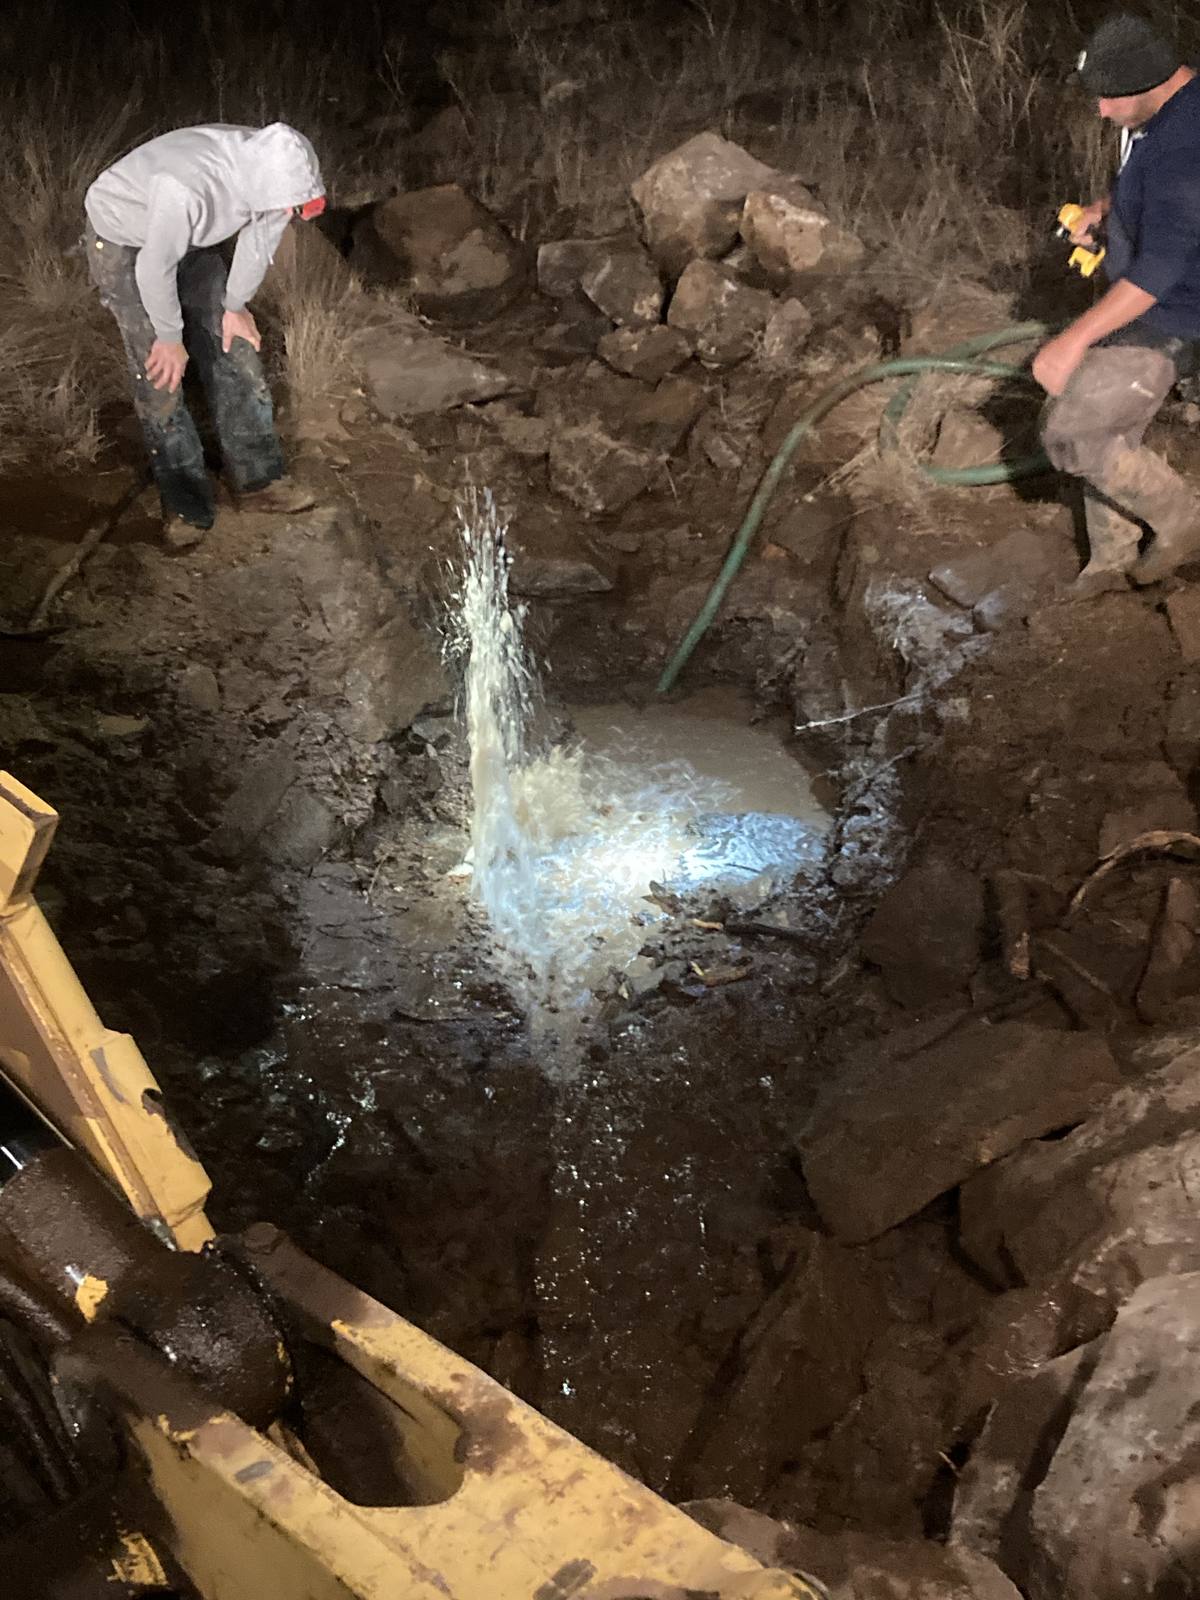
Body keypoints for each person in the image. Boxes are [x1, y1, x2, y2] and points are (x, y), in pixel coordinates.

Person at [85, 123, 327, 548]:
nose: (292, 215)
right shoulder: (187, 187)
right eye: (291, 208)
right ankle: (186, 503)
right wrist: (169, 336)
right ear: (264, 187)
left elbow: (261, 236)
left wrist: (234, 307)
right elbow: (152, 268)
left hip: (189, 237)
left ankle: (258, 482)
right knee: (160, 371)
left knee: (235, 347)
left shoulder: (280, 165)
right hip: (125, 239)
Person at [1034, 13, 1200, 595]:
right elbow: (1145, 182)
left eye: (1108, 98)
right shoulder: (1173, 110)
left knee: (1073, 432)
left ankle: (1184, 521)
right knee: (1096, 418)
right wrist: (1105, 211)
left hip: (1178, 314)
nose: (1101, 112)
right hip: (1158, 297)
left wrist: (1071, 338)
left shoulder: (1186, 146)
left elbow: (1160, 271)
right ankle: (1110, 562)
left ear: (1146, 82)